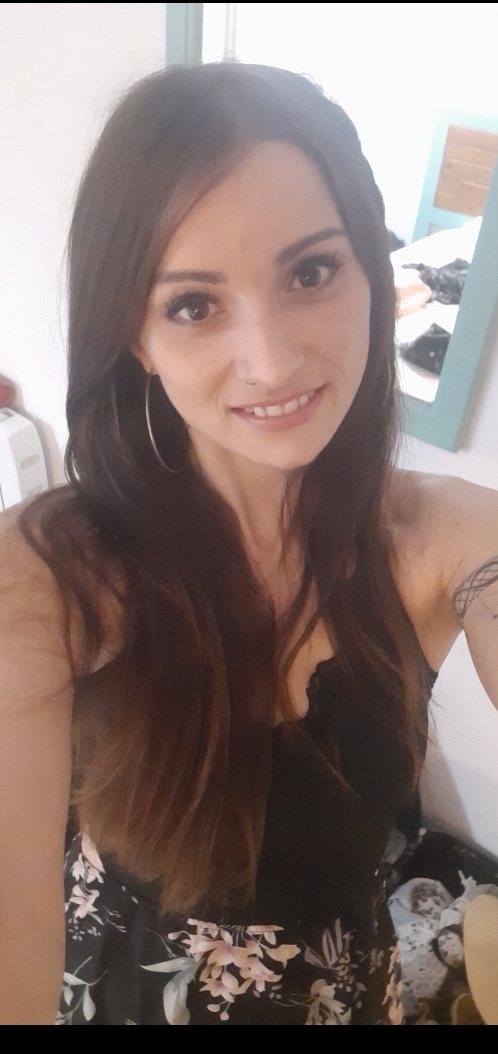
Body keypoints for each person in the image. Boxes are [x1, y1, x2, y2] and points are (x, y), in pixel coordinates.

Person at [0, 63, 497, 1026]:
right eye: (194, 305)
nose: (271, 361)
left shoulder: (444, 539)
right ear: (135, 336)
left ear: (373, 273)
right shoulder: (49, 576)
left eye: (311, 272)